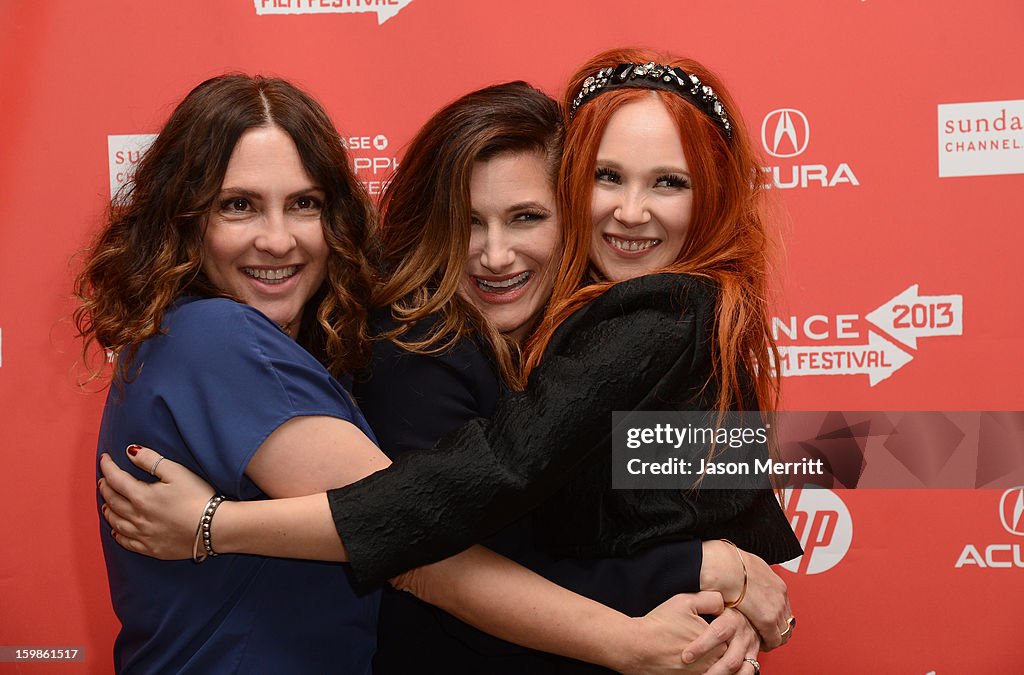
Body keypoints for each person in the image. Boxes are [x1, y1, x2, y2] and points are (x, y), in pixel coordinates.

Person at [100, 48, 803, 672]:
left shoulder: (644, 328)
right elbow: (436, 556)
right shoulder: (418, 348)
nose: (495, 255)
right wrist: (693, 572)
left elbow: (714, 482)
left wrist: (735, 586)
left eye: (527, 217)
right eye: (466, 222)